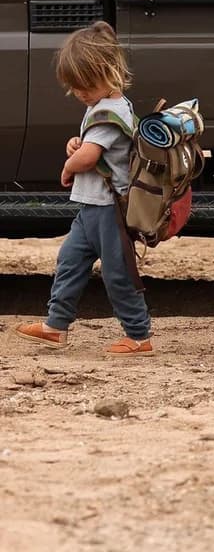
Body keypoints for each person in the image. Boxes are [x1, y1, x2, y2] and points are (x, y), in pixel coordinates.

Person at [16, 22, 153, 357]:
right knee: (70, 262)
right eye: (74, 87)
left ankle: (139, 336)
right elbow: (91, 146)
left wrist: (69, 164)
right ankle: (55, 326)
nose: (79, 93)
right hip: (91, 207)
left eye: (85, 85)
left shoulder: (110, 111)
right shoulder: (101, 106)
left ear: (109, 71)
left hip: (108, 210)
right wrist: (76, 143)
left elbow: (91, 156)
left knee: (118, 273)